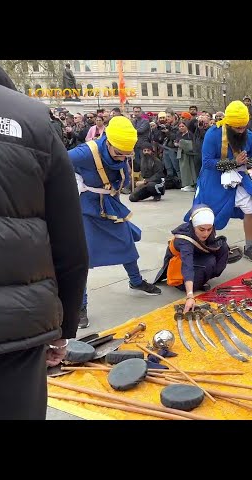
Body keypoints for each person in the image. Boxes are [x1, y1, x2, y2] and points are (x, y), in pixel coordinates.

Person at [0, 64, 88, 419]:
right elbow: (70, 244)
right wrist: (60, 328)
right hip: (17, 322)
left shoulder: (240, 135)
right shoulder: (34, 119)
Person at [70, 116, 161, 329]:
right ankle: (79, 305)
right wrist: (74, 181)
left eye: (127, 154)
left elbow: (121, 175)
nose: (123, 158)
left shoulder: (123, 149)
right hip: (86, 209)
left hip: (111, 204)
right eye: (119, 153)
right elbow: (53, 163)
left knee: (126, 243)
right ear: (108, 142)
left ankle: (136, 281)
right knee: (83, 257)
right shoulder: (85, 153)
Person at [190, 100, 252, 262]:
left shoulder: (248, 135)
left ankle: (249, 246)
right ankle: (206, 246)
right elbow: (207, 162)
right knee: (208, 214)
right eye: (237, 128)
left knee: (250, 210)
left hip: (240, 178)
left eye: (243, 127)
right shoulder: (213, 134)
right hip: (213, 179)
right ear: (228, 124)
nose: (241, 130)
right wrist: (233, 162)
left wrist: (245, 162)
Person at [154, 205, 229, 312]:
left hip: (196, 259)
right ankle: (190, 286)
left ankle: (203, 277)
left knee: (223, 247)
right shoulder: (184, 239)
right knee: (209, 262)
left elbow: (212, 244)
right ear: (193, 226)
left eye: (209, 229)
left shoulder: (207, 229)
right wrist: (190, 296)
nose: (206, 233)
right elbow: (187, 265)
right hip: (180, 273)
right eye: (202, 230)